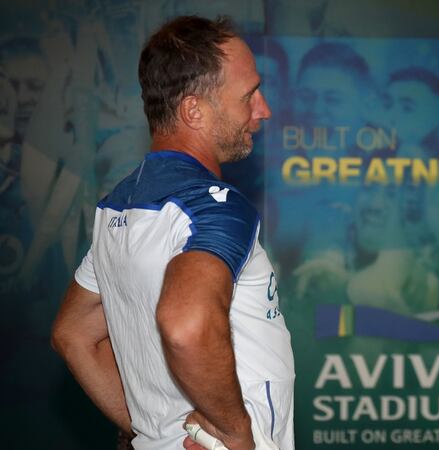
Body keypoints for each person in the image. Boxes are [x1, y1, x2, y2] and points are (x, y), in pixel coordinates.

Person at [50, 16, 294, 450]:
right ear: (193, 110)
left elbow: (73, 333)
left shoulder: (117, 209)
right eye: (249, 94)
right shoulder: (215, 207)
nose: (263, 109)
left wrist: (147, 430)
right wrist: (237, 433)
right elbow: (185, 322)